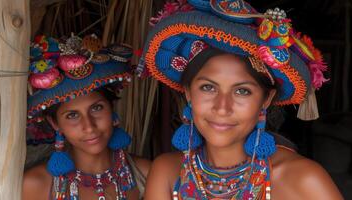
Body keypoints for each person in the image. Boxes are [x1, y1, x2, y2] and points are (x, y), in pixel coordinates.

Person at [139, 0, 343, 199]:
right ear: (189, 92)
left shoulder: (302, 180)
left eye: (242, 91)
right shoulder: (167, 174)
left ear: (266, 99)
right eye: (208, 87)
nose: (222, 108)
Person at [22, 35, 150, 200]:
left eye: (96, 108)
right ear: (55, 123)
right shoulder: (36, 186)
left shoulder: (146, 174)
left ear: (111, 109)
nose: (89, 126)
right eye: (72, 115)